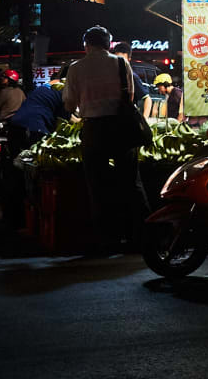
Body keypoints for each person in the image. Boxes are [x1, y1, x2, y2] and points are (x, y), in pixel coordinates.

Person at [63, 25, 147, 255]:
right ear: (109, 43)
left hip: (93, 130)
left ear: (86, 45)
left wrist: (85, 105)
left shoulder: (76, 68)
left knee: (98, 186)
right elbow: (129, 97)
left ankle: (107, 240)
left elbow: (70, 103)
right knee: (131, 183)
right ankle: (141, 236)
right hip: (121, 127)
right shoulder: (121, 63)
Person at [2, 81, 69, 229]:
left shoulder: (47, 87)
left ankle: (13, 216)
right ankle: (24, 217)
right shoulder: (67, 91)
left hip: (16, 126)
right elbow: (64, 121)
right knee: (31, 173)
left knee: (17, 171)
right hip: (33, 128)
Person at [112, 42, 151, 117]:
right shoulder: (109, 75)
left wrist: (144, 120)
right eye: (117, 59)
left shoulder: (132, 77)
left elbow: (147, 99)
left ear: (128, 60)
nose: (119, 63)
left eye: (123, 60)